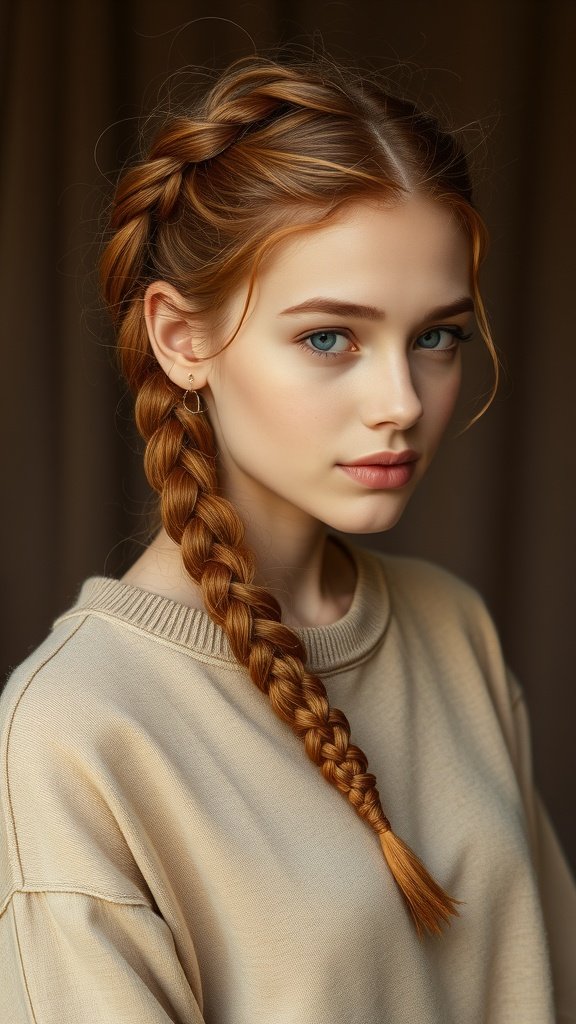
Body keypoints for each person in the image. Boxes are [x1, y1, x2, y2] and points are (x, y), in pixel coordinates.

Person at [0, 50, 574, 1024]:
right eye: (329, 337)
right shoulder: (74, 729)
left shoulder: (453, 627)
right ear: (183, 338)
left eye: (436, 335)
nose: (400, 403)